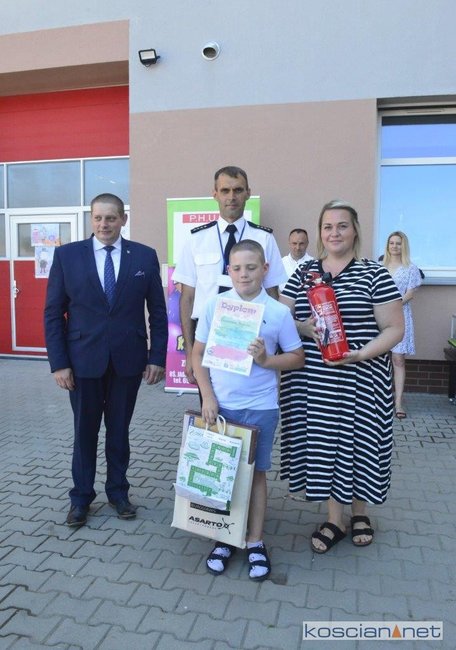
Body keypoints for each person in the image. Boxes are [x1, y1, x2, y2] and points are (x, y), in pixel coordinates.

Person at [280, 200, 404, 553]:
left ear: (355, 231)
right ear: (320, 232)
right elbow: (280, 318)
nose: (334, 233)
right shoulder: (304, 274)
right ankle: (334, 518)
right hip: (313, 384)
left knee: (360, 444)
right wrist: (303, 327)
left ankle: (360, 513)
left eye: (342, 226)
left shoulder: (374, 273)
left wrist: (361, 354)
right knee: (324, 446)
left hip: (362, 379)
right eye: (328, 226)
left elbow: (395, 328)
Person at [44, 193, 168, 527]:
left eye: (111, 218)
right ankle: (81, 498)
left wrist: (157, 357)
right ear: (91, 219)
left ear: (123, 219)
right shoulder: (67, 256)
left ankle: (118, 493)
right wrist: (59, 363)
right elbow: (53, 313)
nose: (104, 225)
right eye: (98, 218)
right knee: (84, 432)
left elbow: (158, 311)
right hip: (82, 361)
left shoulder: (143, 256)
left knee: (119, 432)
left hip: (128, 361)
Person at [192, 240, 304, 580]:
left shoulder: (278, 312)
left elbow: (297, 357)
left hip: (261, 407)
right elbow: (197, 354)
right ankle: (225, 537)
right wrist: (207, 396)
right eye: (237, 268)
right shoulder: (215, 305)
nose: (244, 274)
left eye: (251, 268)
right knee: (221, 476)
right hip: (221, 406)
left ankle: (255, 540)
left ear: (265, 269)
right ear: (229, 271)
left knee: (255, 475)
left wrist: (266, 360)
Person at [172, 165, 287, 386]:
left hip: (253, 334)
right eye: (225, 190)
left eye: (238, 190)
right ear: (215, 194)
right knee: (210, 401)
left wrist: (273, 349)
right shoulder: (196, 239)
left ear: (248, 193)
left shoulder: (264, 238)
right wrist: (189, 351)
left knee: (250, 397)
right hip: (206, 334)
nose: (231, 197)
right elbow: (187, 298)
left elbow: (273, 294)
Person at [382, 231, 422, 419]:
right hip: (380, 318)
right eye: (392, 243)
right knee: (379, 358)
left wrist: (393, 305)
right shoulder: (380, 267)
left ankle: (398, 402)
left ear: (403, 245)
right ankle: (380, 400)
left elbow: (410, 294)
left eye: (398, 243)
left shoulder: (410, 268)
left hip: (401, 316)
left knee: (398, 359)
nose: (395, 246)